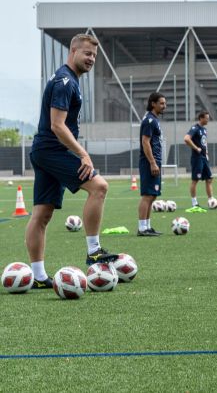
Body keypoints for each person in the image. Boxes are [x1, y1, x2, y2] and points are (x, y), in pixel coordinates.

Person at [25, 34, 118, 288]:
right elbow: (57, 125)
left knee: (42, 214)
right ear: (73, 51)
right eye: (87, 54)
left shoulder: (68, 80)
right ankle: (94, 250)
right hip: (53, 151)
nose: (91, 59)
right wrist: (83, 154)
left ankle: (38, 275)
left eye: (94, 56)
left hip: (44, 151)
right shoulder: (65, 81)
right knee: (99, 187)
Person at [137, 93, 167, 237]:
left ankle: (147, 226)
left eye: (164, 103)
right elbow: (145, 142)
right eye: (161, 103)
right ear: (153, 104)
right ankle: (142, 228)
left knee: (153, 195)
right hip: (149, 162)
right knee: (147, 195)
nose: (164, 106)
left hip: (155, 162)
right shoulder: (149, 120)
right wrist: (153, 163)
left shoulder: (154, 119)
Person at [184, 111, 217, 209]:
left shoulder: (204, 129)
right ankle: (194, 203)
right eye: (206, 118)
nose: (208, 120)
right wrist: (196, 148)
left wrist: (206, 153)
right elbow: (186, 138)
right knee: (195, 180)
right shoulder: (195, 128)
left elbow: (204, 143)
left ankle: (211, 201)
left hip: (204, 158)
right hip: (197, 158)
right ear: (201, 118)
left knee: (209, 179)